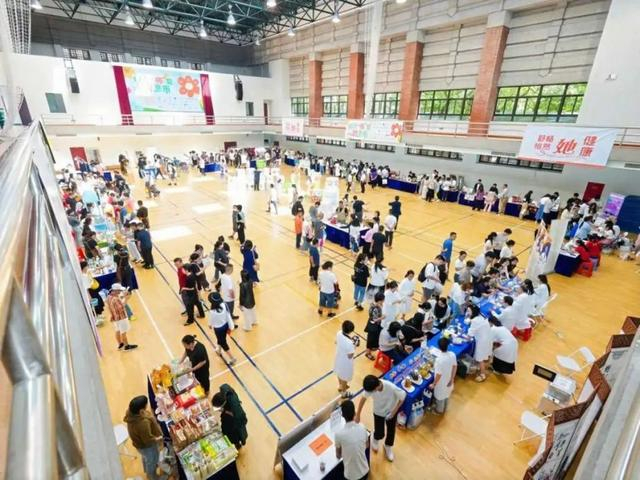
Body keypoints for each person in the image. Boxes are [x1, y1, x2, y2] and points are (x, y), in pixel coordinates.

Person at [355, 375, 406, 462]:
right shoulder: (372, 387)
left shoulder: (390, 387)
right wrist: (358, 414)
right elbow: (363, 398)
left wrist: (393, 412)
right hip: (378, 412)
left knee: (391, 431)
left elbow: (403, 396)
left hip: (391, 412)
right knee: (380, 433)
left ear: (376, 387)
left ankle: (388, 446)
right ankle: (375, 439)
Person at [124, 396, 165, 480]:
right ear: (141, 410)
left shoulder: (130, 413)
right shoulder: (143, 423)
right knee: (152, 461)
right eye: (146, 405)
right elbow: (148, 440)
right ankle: (153, 477)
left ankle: (147, 470)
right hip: (147, 447)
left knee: (146, 458)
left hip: (139, 445)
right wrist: (159, 438)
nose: (147, 406)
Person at [335, 400, 370, 480]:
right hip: (365, 470)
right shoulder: (362, 427)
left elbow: (338, 455)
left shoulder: (339, 434)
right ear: (355, 412)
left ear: (342, 415)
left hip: (351, 477)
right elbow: (367, 445)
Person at [211, 385, 248, 449]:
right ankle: (238, 443)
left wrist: (223, 432)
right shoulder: (230, 401)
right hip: (236, 427)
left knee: (235, 439)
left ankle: (237, 445)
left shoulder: (229, 417)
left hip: (234, 432)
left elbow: (226, 428)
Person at [429, 337, 457, 414]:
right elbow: (455, 366)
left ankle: (439, 411)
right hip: (449, 379)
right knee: (447, 395)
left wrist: (433, 384)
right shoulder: (452, 354)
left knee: (440, 398)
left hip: (441, 383)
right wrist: (452, 379)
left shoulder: (439, 360)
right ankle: (445, 407)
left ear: (439, 347)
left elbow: (438, 375)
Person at [207, 292, 237, 364]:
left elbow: (211, 321)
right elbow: (228, 315)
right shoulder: (224, 305)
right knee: (221, 339)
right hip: (225, 326)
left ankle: (232, 358)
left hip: (218, 329)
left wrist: (210, 325)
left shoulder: (212, 311)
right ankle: (219, 350)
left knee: (223, 342)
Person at [106, 284, 137, 351]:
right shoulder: (116, 299)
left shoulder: (109, 297)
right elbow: (121, 308)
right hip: (121, 318)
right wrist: (126, 298)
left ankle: (120, 344)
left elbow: (111, 305)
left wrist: (122, 297)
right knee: (123, 332)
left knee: (117, 330)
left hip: (115, 317)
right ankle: (126, 346)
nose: (120, 292)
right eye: (119, 290)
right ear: (115, 290)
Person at [467, 304, 491, 382]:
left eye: (469, 311)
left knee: (480, 359)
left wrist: (466, 339)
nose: (467, 312)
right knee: (482, 356)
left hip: (482, 341)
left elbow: (470, 335)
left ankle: (482, 375)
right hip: (487, 338)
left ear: (473, 312)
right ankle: (478, 367)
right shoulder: (481, 315)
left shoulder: (475, 321)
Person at [335, 320, 357, 395]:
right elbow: (350, 355)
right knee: (344, 377)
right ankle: (344, 393)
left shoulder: (339, 333)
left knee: (339, 373)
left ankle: (340, 386)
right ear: (351, 331)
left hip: (338, 357)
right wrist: (354, 345)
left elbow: (336, 342)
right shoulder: (350, 343)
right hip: (345, 362)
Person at [364, 292, 385, 360]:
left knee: (375, 337)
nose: (383, 301)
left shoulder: (374, 304)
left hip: (376, 325)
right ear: (379, 300)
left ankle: (373, 347)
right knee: (370, 340)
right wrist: (382, 318)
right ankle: (368, 353)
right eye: (383, 300)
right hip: (373, 326)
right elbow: (374, 319)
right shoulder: (375, 308)